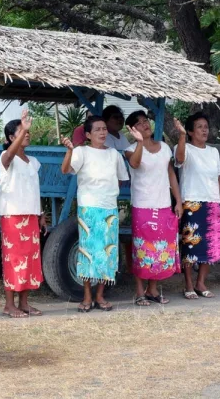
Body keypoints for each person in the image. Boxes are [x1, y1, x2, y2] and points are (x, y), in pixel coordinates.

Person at [61, 115, 130, 313]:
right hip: (89, 207)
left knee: (107, 254)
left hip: (109, 208)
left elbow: (120, 179)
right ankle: (87, 296)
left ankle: (100, 296)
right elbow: (66, 170)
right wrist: (69, 151)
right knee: (88, 253)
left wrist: (108, 195)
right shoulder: (81, 151)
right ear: (88, 134)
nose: (102, 132)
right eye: (97, 129)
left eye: (104, 129)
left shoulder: (114, 154)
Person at [123, 111, 182, 306]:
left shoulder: (164, 148)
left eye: (145, 121)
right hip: (143, 206)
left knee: (160, 250)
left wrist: (178, 201)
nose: (144, 124)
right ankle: (140, 291)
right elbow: (135, 163)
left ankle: (153, 289)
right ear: (132, 130)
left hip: (164, 204)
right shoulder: (130, 149)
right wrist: (140, 143)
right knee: (142, 249)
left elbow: (171, 174)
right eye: (138, 123)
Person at [174, 112, 220, 299]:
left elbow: (219, 179)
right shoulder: (184, 148)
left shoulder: (214, 151)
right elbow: (180, 160)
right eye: (199, 126)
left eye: (206, 126)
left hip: (213, 202)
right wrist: (181, 136)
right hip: (192, 202)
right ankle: (189, 284)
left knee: (211, 244)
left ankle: (201, 282)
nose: (204, 130)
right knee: (191, 245)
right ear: (190, 131)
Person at [0, 110, 45, 318]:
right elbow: (9, 156)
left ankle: (24, 303)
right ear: (10, 138)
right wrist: (22, 130)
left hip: (31, 215)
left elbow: (35, 189)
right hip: (13, 215)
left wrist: (41, 213)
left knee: (29, 259)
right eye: (21, 132)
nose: (27, 134)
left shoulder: (32, 161)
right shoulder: (5, 157)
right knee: (13, 259)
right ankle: (9, 304)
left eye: (27, 131)